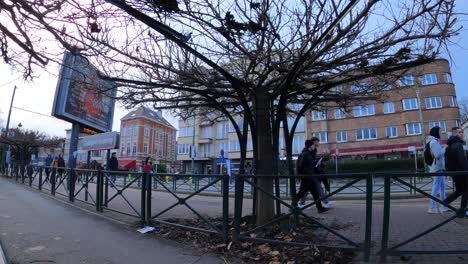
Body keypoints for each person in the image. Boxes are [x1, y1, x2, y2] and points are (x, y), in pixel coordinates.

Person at [299, 137, 335, 208]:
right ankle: (299, 204)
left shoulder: (313, 150)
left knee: (314, 188)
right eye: (317, 141)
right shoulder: (306, 151)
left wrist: (321, 161)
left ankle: (302, 204)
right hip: (308, 174)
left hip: (312, 173)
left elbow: (313, 161)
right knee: (307, 189)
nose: (319, 143)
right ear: (313, 142)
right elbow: (305, 163)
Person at [295, 139, 329, 213]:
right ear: (310, 146)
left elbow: (311, 165)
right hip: (307, 177)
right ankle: (293, 205)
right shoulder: (305, 154)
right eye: (313, 145)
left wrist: (318, 165)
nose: (314, 146)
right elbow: (300, 166)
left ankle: (320, 208)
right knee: (301, 192)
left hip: (310, 176)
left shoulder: (309, 154)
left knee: (315, 193)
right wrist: (306, 173)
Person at [443, 127, 468, 215]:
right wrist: (466, 171)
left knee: (460, 190)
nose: (462, 134)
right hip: (461, 172)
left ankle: (445, 203)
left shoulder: (450, 145)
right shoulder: (458, 145)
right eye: (460, 132)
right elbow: (462, 160)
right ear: (455, 134)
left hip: (455, 173)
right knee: (466, 190)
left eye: (462, 132)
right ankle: (463, 211)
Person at [426, 126, 447, 214]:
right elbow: (438, 155)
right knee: (436, 187)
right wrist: (445, 148)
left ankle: (444, 206)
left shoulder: (432, 141)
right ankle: (431, 207)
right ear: (436, 132)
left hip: (438, 168)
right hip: (437, 168)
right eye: (440, 131)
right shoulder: (434, 142)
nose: (441, 133)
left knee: (442, 187)